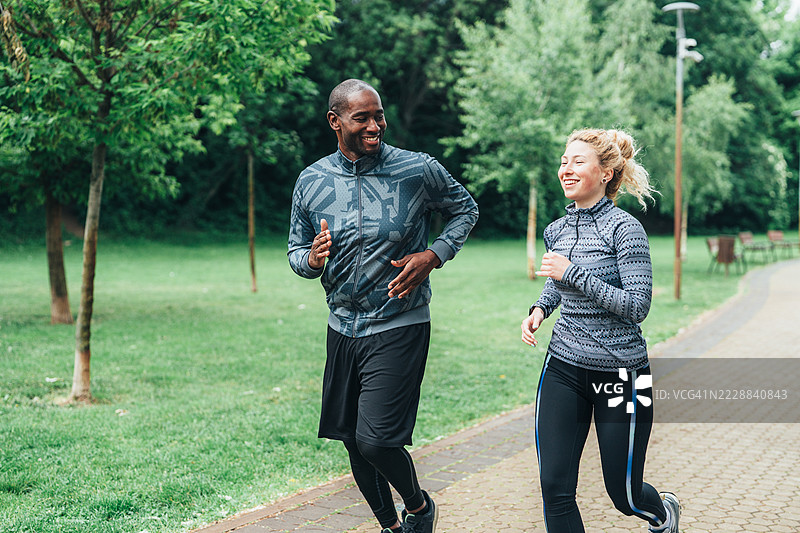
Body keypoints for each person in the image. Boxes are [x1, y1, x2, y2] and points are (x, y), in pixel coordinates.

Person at [288, 79, 478, 533]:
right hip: (343, 327)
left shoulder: (417, 170)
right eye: (362, 118)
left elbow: (465, 209)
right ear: (336, 122)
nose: (375, 125)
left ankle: (418, 507)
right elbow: (296, 250)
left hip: (399, 321)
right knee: (352, 440)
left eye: (379, 115)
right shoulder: (311, 181)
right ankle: (390, 527)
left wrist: (433, 255)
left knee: (375, 440)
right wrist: (312, 259)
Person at [521, 129, 680, 533]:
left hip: (622, 375)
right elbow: (556, 283)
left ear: (607, 173)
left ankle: (662, 513)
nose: (566, 169)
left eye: (578, 162)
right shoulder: (556, 230)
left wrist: (570, 274)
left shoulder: (625, 229)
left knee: (623, 494)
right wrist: (540, 308)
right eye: (563, 161)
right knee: (554, 488)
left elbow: (637, 306)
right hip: (563, 368)